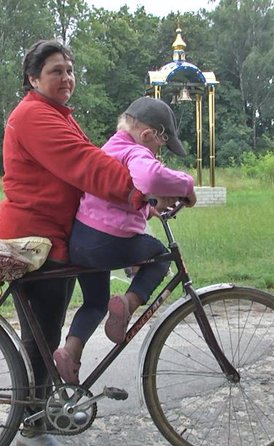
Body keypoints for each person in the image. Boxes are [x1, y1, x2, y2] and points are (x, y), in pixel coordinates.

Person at [0, 39, 148, 446]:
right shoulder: (34, 116)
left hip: (54, 236)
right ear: (33, 79)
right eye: (55, 71)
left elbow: (87, 162)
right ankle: (32, 419)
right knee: (41, 333)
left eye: (69, 70)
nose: (66, 78)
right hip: (33, 239)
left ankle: (37, 414)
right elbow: (84, 162)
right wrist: (138, 190)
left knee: (45, 330)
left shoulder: (54, 113)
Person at [52, 97, 197, 385]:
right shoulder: (135, 152)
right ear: (147, 135)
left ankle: (70, 352)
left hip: (81, 241)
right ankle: (128, 303)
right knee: (160, 257)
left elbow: (119, 194)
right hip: (109, 241)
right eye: (159, 147)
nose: (158, 154)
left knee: (94, 302)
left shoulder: (109, 149)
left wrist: (148, 208)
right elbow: (150, 177)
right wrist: (187, 187)